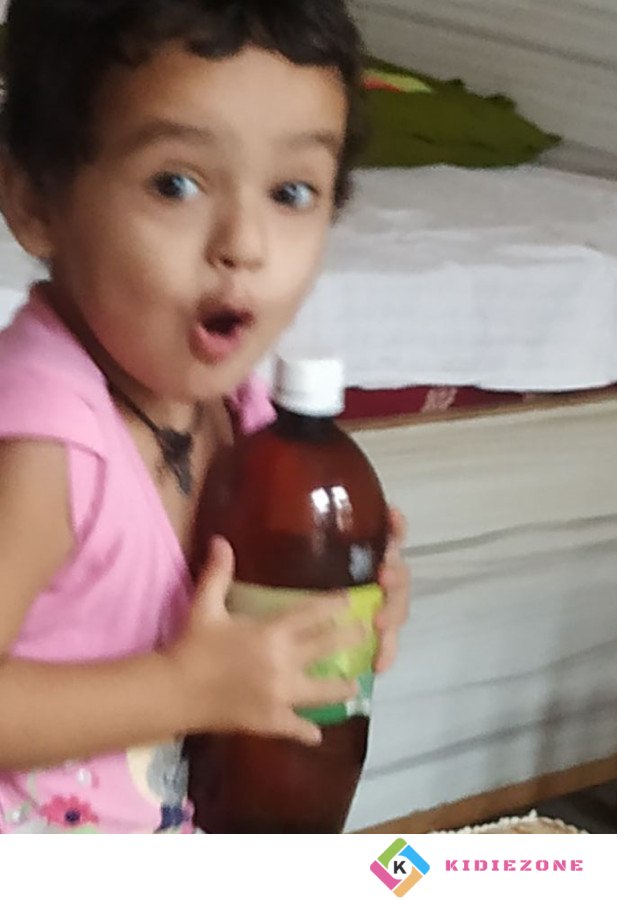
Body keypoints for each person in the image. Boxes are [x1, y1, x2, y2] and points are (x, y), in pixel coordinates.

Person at [0, 0, 410, 833]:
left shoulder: (243, 416)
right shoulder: (42, 445)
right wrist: (187, 687)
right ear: (37, 200)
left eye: (292, 192)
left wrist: (329, 618)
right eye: (176, 184)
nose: (244, 244)